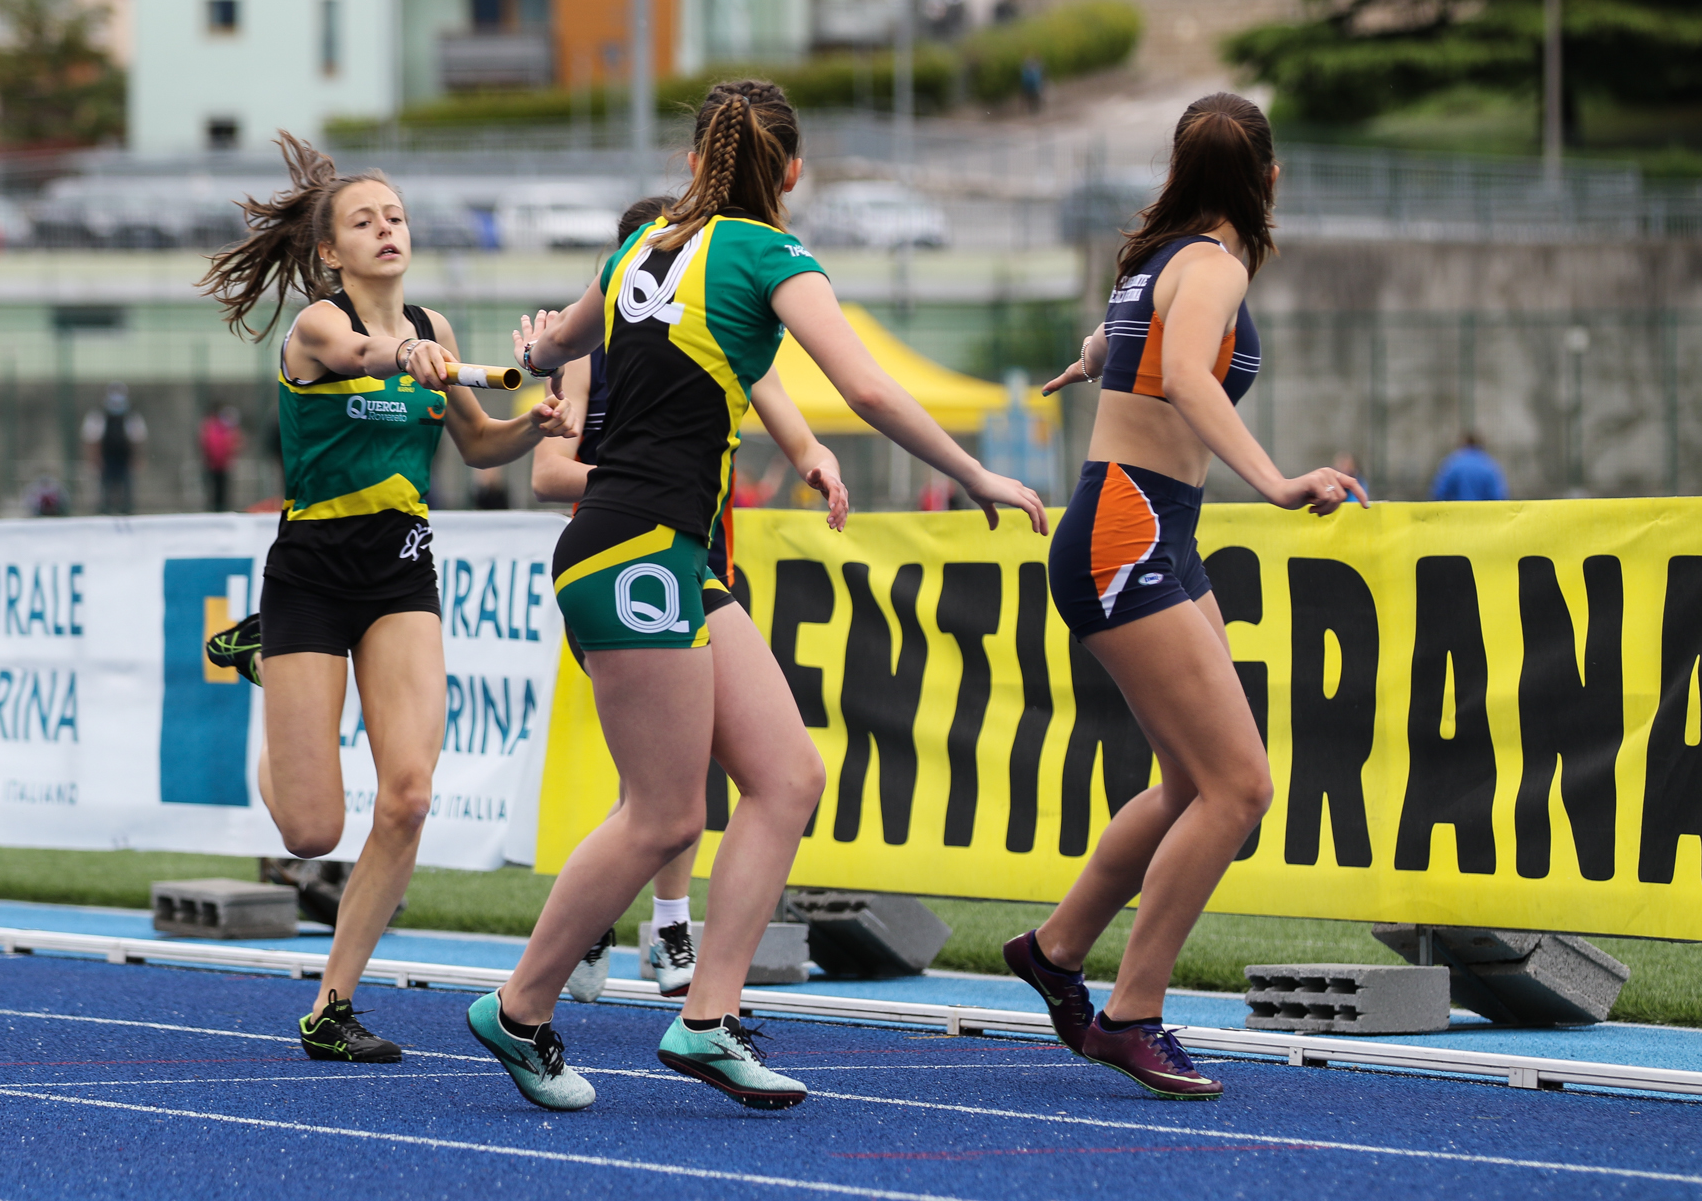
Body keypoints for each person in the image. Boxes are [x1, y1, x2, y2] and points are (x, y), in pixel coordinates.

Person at [467, 78, 1045, 1113]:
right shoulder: (772, 253)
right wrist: (975, 473)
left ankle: (705, 1018)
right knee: (662, 814)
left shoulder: (637, 251)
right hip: (636, 551)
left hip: (666, 553)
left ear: (693, 162)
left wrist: (534, 349)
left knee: (785, 776)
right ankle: (518, 1007)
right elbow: (867, 387)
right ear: (792, 172)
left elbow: (552, 348)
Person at [1011, 92, 1367, 1101]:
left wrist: (1086, 362)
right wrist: (1277, 481)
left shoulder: (1157, 263)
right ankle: (1131, 1012)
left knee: (1190, 783)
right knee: (1239, 788)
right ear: (1268, 179)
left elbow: (1118, 343)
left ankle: (1055, 948)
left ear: (1178, 170)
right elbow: (1183, 374)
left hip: (1146, 529)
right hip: (1128, 532)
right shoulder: (1211, 266)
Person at [197, 131, 574, 1065]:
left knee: (407, 797)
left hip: (401, 572)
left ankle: (332, 1004)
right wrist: (403, 354)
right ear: (331, 251)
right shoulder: (319, 329)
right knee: (311, 829)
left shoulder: (438, 329)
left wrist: (536, 423)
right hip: (312, 576)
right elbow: (365, 353)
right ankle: (267, 657)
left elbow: (477, 447)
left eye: (396, 217)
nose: (386, 230)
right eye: (364, 222)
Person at [530, 193, 852, 1006]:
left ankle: (689, 973)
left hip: (700, 560)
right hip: (628, 550)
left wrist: (815, 459)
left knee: (730, 776)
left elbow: (787, 416)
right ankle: (580, 945)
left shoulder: (723, 324)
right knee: (661, 790)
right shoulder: (598, 344)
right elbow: (547, 470)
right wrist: (633, 477)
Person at [82, 382, 146, 515]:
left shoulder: (132, 417)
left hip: (124, 458)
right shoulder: (98, 416)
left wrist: (136, 458)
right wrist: (94, 459)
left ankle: (127, 510)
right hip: (106, 457)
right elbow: (92, 440)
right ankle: (104, 511)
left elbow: (137, 440)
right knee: (104, 488)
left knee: (126, 487)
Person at [1430, 433, 1506, 501]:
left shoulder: (1452, 464)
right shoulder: (1489, 465)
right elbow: (1498, 496)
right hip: (1481, 511)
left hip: (1458, 511)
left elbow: (1439, 493)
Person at [199, 404, 244, 512]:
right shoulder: (215, 428)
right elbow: (213, 447)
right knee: (216, 490)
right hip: (215, 464)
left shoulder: (220, 428)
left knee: (221, 490)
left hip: (221, 464)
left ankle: (220, 509)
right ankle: (217, 509)